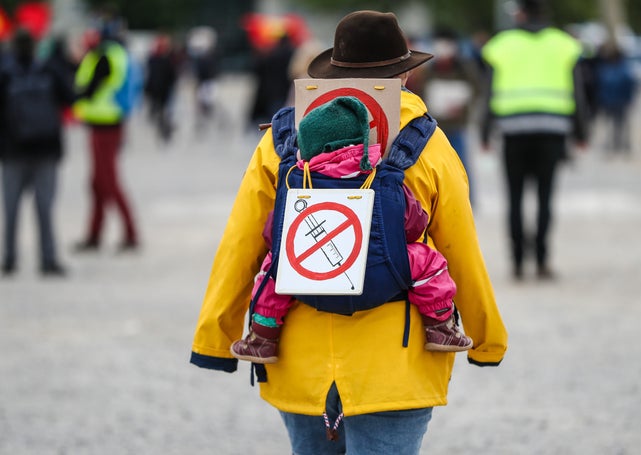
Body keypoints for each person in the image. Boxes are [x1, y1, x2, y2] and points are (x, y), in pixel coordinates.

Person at [191, 10, 506, 455]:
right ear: (406, 75)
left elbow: (242, 243)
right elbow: (460, 249)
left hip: (298, 357)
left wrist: (214, 339)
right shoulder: (428, 144)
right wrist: (487, 339)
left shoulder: (282, 140)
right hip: (397, 361)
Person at [230, 96, 473, 364]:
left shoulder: (296, 181)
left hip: (309, 278)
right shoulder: (381, 176)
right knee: (428, 261)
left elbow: (271, 233)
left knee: (273, 269)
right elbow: (414, 224)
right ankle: (439, 326)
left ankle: (264, 337)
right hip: (382, 277)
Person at [480, 0, 588, 280]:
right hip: (552, 132)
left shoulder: (501, 45)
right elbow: (578, 93)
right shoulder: (565, 45)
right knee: (545, 197)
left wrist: (484, 131)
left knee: (514, 198)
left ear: (521, 12)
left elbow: (488, 93)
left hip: (513, 132)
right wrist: (581, 133)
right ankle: (541, 261)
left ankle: (517, 262)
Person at [0, 28, 75, 276]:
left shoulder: (6, 73)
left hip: (13, 151)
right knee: (45, 208)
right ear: (35, 46)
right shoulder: (49, 69)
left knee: (11, 209)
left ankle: (9, 259)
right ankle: (48, 259)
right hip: (46, 149)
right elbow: (71, 98)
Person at [73, 25, 139, 252]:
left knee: (108, 182)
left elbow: (89, 90)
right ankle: (94, 234)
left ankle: (130, 234)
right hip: (105, 124)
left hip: (105, 126)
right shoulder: (113, 55)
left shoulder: (104, 57)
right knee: (98, 184)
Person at [417, 28, 483, 206]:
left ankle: (466, 199)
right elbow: (422, 93)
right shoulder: (430, 69)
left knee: (460, 162)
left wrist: (462, 104)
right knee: (436, 165)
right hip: (435, 125)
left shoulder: (464, 67)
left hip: (457, 124)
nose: (443, 48)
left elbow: (476, 90)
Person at [595, 43, 636, 156]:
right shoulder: (617, 68)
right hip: (612, 100)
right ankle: (615, 144)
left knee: (619, 125)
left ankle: (619, 144)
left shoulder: (611, 69)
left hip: (617, 101)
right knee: (614, 124)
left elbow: (629, 86)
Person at [144, 33, 179, 143]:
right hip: (161, 91)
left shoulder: (157, 59)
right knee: (163, 113)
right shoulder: (162, 60)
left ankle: (164, 131)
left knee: (163, 113)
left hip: (161, 91)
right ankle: (164, 130)